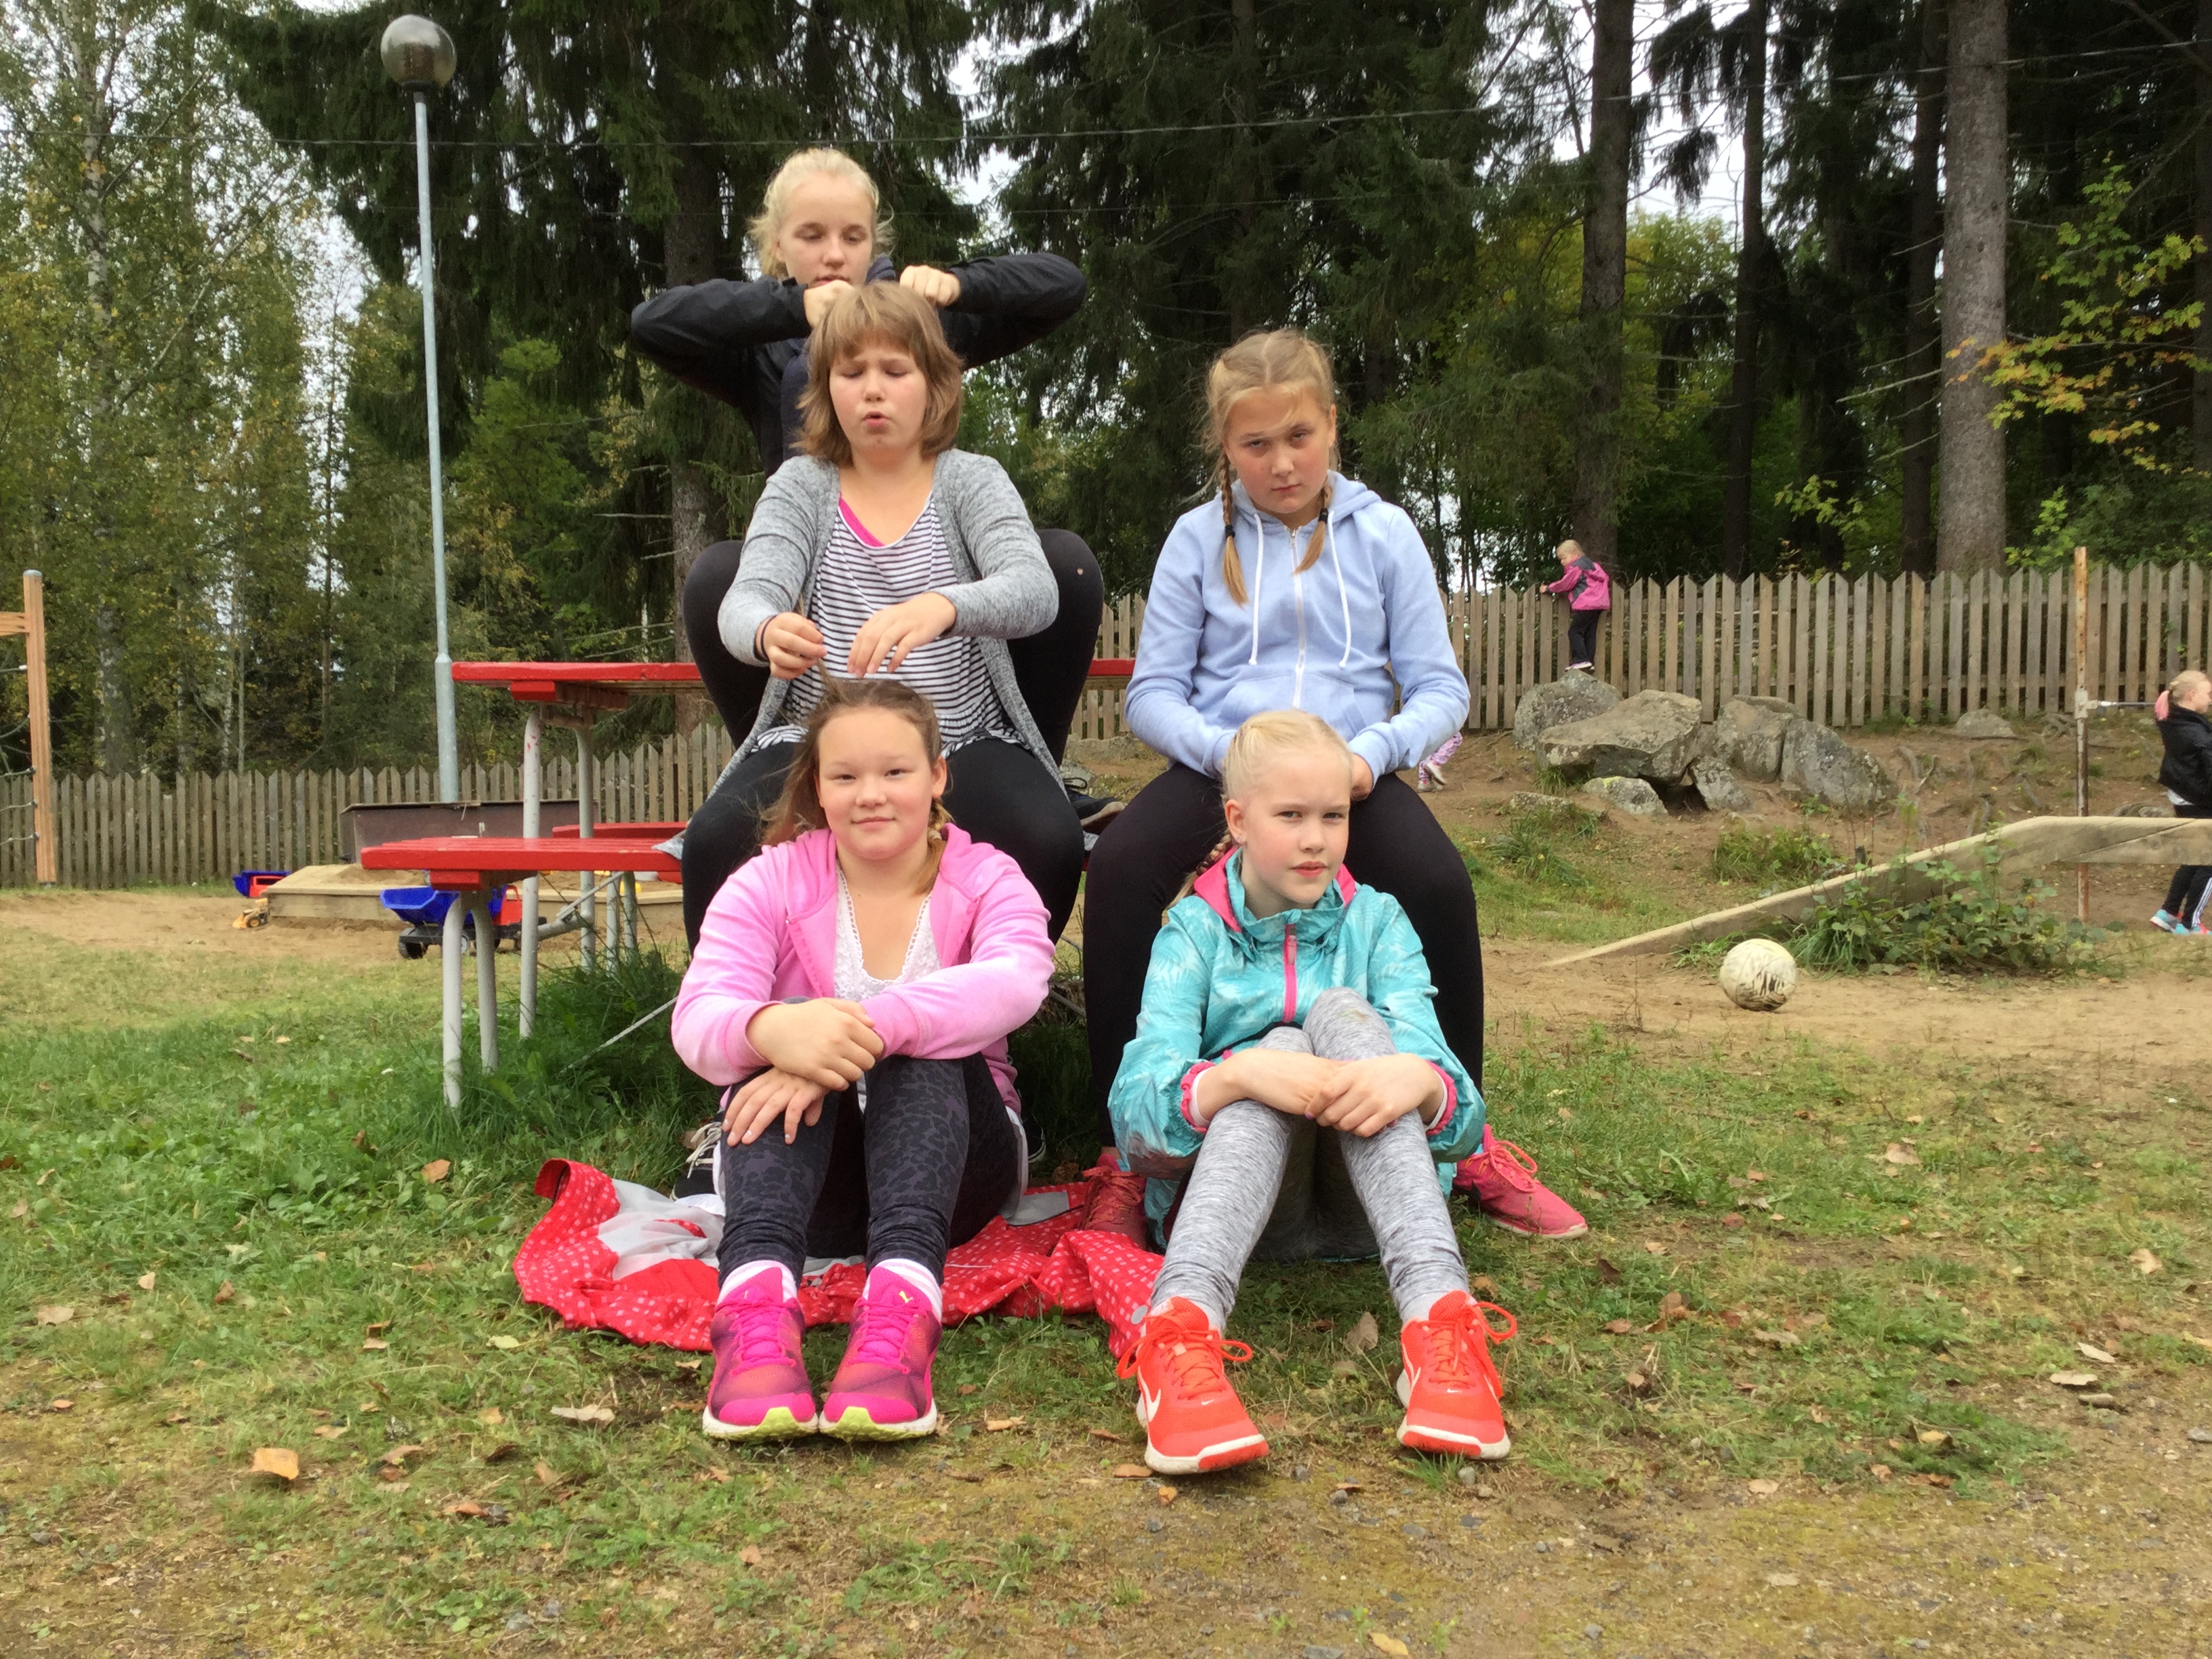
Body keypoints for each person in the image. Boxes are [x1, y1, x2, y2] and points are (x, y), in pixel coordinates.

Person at [1082, 326, 1586, 1242]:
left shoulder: (1384, 534)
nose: (1281, 463)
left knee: (1436, 880)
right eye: (1255, 444)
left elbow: (1441, 689)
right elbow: (1152, 695)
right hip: (1221, 767)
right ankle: (1126, 1154)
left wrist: (1372, 755)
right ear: (1225, 445)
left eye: (1299, 437)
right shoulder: (1196, 540)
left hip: (1348, 770)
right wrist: (1233, 758)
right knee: (1118, 871)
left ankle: (1464, 1138)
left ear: (1331, 425)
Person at [628, 144, 1109, 947]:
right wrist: (764, 629)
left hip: (956, 732)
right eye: (852, 375)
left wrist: (942, 606)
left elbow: (1034, 589)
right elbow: (745, 597)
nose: (876, 390)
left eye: (897, 371)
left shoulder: (971, 476)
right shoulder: (800, 481)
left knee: (1047, 835)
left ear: (937, 382)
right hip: (827, 728)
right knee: (719, 836)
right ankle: (747, 1011)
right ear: (823, 390)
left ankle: (985, 994)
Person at [1107, 712, 1519, 1473]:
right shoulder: (1193, 934)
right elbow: (1134, 1118)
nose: (1316, 840)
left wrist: (1422, 1081)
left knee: (1342, 1011)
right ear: (1238, 820)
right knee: (1279, 1047)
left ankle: (1442, 1327)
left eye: (1333, 817)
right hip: (1244, 1212)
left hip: (1371, 1207)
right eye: (1291, 816)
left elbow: (1462, 1114)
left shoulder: (1380, 922)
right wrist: (1235, 1076)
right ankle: (1180, 1332)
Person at [671, 678, 1053, 1440]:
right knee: (776, 1046)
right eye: (845, 776)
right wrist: (773, 1030)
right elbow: (700, 1019)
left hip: (958, 1175)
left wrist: (856, 1031)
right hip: (811, 1182)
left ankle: (900, 1318)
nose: (871, 795)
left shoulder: (988, 876)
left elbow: (1019, 979)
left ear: (937, 776)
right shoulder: (770, 879)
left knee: (925, 1039)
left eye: (895, 772)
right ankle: (752, 1316)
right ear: (818, 786)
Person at [2153, 668, 2212, 935]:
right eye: (2207, 693)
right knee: (2208, 859)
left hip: (2186, 795)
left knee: (2195, 855)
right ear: (2191, 695)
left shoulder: (2180, 721)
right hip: (2198, 798)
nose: (2210, 699)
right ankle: (2190, 923)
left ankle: (2169, 912)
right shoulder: (2194, 732)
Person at [1544, 538, 1611, 673]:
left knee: (1574, 631)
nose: (1562, 562)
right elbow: (1605, 579)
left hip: (1586, 604)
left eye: (1564, 558)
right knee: (1589, 634)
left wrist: (1548, 588)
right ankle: (1589, 662)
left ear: (1575, 554)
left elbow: (1565, 584)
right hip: (1598, 605)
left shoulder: (1576, 567)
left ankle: (1580, 660)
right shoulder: (1595, 567)